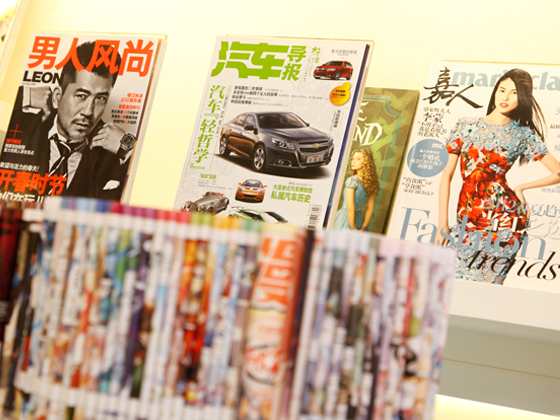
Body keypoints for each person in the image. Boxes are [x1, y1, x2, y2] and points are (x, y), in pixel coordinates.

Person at [436, 68, 560, 284]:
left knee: (487, 286)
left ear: (522, 98)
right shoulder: (465, 125)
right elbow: (446, 176)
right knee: (451, 281)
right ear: (495, 91)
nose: (505, 97)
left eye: (514, 93)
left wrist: (521, 187)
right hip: (466, 216)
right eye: (502, 90)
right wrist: (442, 224)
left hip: (504, 220)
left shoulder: (523, 134)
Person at [1, 40, 135, 200]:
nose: (88, 112)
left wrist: (128, 148)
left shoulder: (113, 152)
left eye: (100, 99)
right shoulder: (25, 126)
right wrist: (25, 95)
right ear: (57, 97)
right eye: (81, 96)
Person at [333, 148, 380, 230]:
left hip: (345, 217)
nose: (353, 162)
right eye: (352, 159)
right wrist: (363, 227)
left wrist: (353, 228)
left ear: (366, 162)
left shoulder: (352, 180)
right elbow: (370, 208)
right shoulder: (370, 182)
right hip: (359, 219)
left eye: (358, 159)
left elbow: (350, 207)